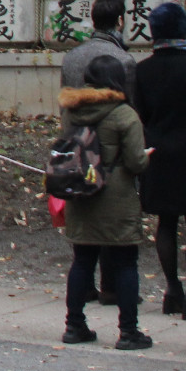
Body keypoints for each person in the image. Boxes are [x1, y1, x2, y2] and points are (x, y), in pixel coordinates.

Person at [132, 1, 186, 322]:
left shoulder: (142, 70)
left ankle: (172, 290)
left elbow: (139, 115)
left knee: (166, 222)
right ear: (183, 28)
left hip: (157, 153)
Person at [58, 54, 152, 349]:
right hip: (117, 196)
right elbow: (136, 162)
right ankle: (128, 331)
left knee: (82, 261)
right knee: (125, 262)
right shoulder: (124, 114)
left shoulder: (72, 111)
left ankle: (74, 326)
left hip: (82, 193)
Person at [60, 0, 140, 306]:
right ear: (120, 20)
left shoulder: (72, 57)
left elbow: (64, 103)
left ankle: (79, 312)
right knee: (119, 241)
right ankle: (116, 298)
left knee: (82, 249)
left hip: (79, 154)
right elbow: (131, 108)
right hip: (114, 157)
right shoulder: (124, 61)